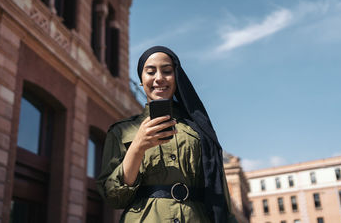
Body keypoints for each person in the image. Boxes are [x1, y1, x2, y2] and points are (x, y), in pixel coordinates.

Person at [97, 46, 238, 223]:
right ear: (141, 79)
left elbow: (220, 196)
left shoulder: (199, 131)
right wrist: (137, 147)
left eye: (167, 71)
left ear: (176, 78)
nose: (159, 78)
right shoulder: (120, 131)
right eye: (150, 72)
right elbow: (113, 197)